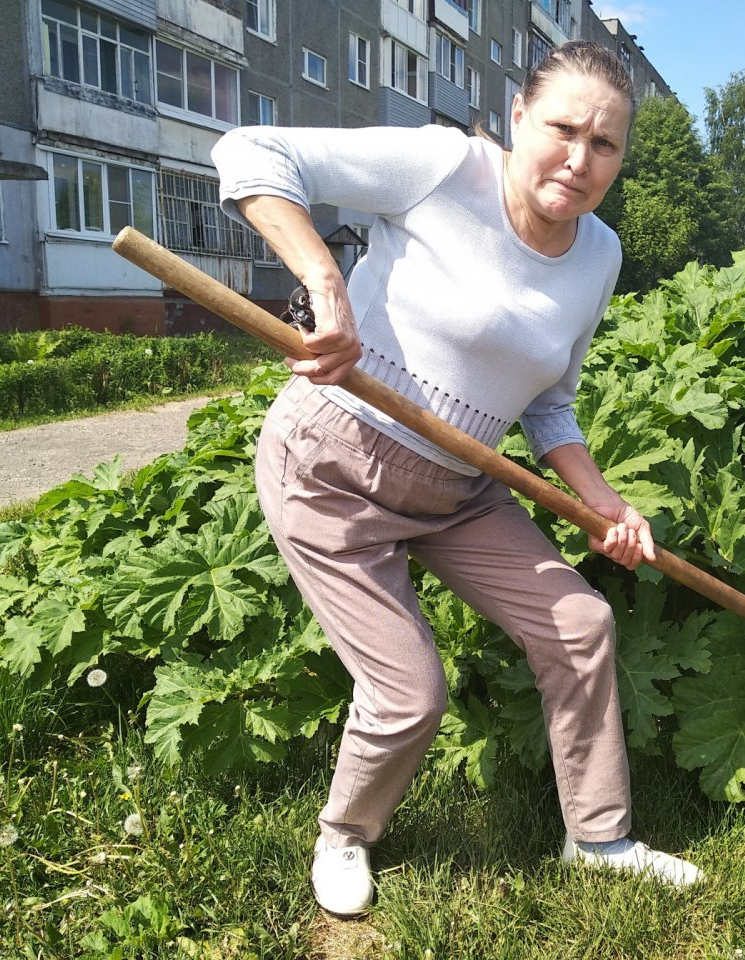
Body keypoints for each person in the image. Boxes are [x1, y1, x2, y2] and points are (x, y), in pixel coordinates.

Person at [212, 41, 703, 918]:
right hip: (332, 464)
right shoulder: (446, 167)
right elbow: (251, 151)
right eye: (563, 130)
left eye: (606, 145)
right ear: (518, 117)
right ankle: (345, 835)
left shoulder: (600, 255)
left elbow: (550, 404)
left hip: (460, 487)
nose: (579, 160)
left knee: (581, 625)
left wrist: (606, 506)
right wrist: (325, 280)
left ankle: (598, 838)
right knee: (409, 695)